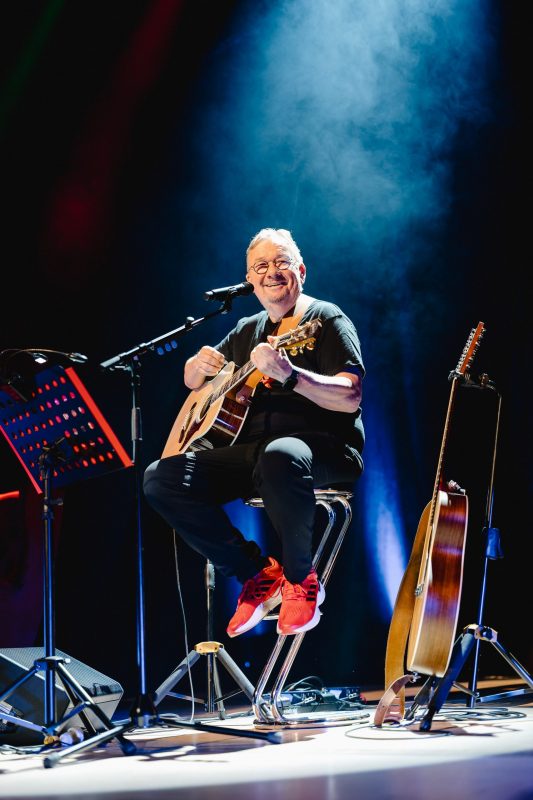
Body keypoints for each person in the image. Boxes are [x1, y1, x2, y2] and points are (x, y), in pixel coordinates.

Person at [143, 227, 365, 637]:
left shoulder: (324, 318)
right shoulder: (248, 328)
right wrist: (195, 368)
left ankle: (301, 580)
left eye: (281, 262)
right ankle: (257, 574)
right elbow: (196, 382)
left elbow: (350, 396)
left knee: (280, 454)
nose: (271, 272)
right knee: (161, 477)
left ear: (301, 270)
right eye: (260, 266)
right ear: (249, 279)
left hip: (324, 448)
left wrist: (290, 375)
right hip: (257, 454)